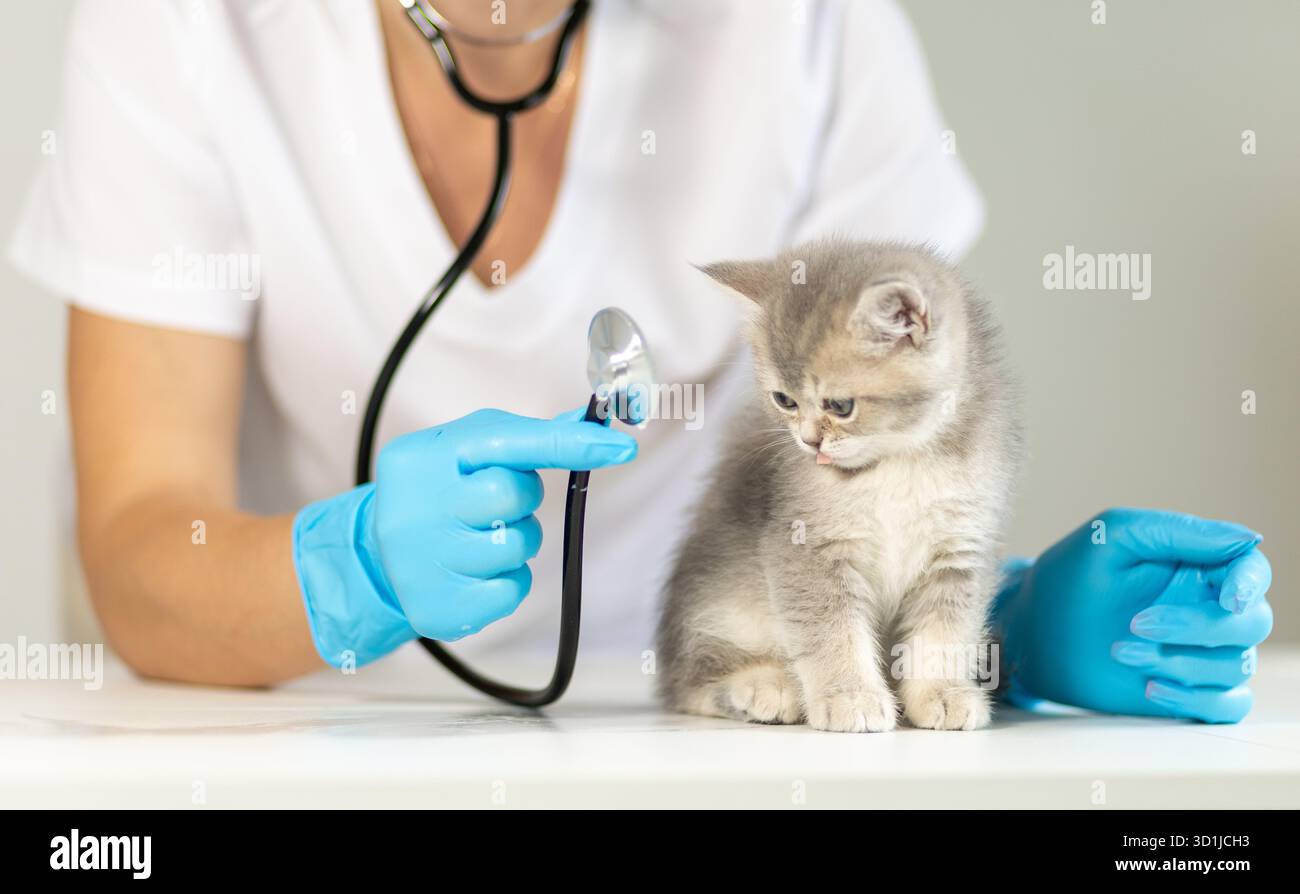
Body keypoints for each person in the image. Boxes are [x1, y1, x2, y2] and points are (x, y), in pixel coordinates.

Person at [10, 0, 1271, 722]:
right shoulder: (176, 23)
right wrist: (354, 567)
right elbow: (137, 547)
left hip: (747, 723)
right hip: (309, 721)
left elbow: (902, 398)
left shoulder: (803, 23)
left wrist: (995, 631)